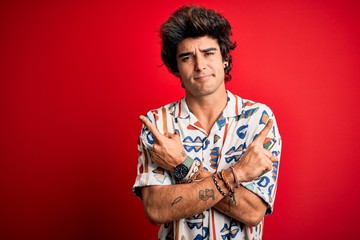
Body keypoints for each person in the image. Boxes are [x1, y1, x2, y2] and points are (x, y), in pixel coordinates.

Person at [133, 5, 282, 240]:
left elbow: (253, 211)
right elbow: (156, 209)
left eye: (208, 53)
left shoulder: (258, 119)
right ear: (176, 69)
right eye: (186, 57)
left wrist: (182, 164)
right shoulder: (158, 124)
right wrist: (237, 174)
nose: (200, 65)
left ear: (224, 58)